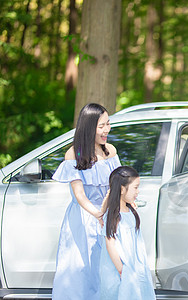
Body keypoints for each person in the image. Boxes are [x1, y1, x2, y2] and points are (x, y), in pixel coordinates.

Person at [52, 103, 121, 299]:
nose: (107, 129)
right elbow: (79, 195)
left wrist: (111, 212)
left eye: (108, 124)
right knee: (79, 271)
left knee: (106, 271)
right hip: (83, 218)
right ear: (89, 126)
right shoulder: (75, 154)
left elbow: (117, 186)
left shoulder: (111, 151)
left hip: (107, 216)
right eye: (101, 126)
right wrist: (97, 213)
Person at [99, 166, 156, 300]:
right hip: (121, 269)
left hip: (134, 266)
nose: (138, 191)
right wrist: (122, 271)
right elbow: (110, 245)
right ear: (122, 189)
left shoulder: (130, 211)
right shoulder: (114, 215)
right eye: (135, 187)